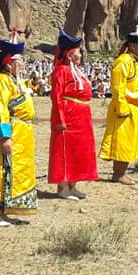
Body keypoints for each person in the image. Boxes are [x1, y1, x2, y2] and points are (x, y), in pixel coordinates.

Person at [0, 34, 37, 227]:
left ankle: (7, 210)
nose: (21, 64)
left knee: (14, 169)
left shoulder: (16, 81)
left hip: (22, 132)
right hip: (9, 131)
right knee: (1, 168)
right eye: (18, 60)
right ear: (8, 63)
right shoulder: (0, 81)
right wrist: (4, 136)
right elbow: (0, 109)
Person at [48, 29, 98, 198]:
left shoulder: (77, 71)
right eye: (78, 53)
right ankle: (63, 187)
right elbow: (57, 96)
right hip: (68, 115)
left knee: (78, 151)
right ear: (69, 55)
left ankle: (73, 184)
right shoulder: (60, 71)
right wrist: (60, 119)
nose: (81, 55)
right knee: (65, 151)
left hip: (81, 116)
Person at [99, 29, 138, 185]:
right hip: (125, 107)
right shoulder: (123, 62)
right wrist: (122, 109)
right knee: (122, 141)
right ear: (133, 46)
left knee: (129, 140)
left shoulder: (135, 62)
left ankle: (122, 172)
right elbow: (118, 87)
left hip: (134, 107)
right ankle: (118, 173)